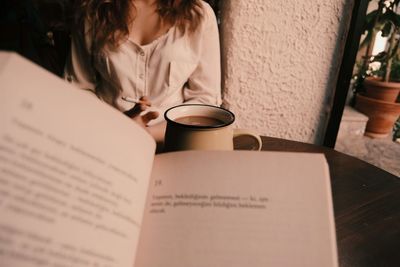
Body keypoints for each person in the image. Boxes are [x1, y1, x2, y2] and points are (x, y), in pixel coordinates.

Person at [64, 0, 221, 143]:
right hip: (105, 141)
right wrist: (115, 124)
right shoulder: (93, 12)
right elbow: (78, 90)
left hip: (173, 144)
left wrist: (148, 134)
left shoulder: (199, 14)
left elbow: (204, 99)